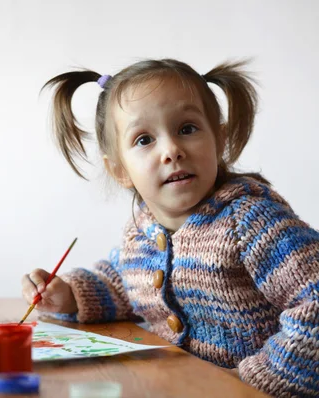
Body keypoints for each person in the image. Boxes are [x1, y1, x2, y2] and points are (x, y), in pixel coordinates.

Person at [22, 59, 319, 397]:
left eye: (187, 129)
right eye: (145, 139)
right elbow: (125, 283)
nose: (172, 150)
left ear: (219, 140)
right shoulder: (142, 231)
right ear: (120, 169)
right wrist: (70, 296)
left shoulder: (251, 221)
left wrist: (251, 380)